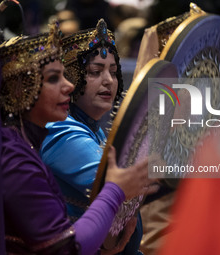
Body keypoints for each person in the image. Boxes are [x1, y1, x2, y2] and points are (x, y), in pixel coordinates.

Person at [0, 22, 156, 255]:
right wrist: (114, 190)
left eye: (113, 72)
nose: (69, 86)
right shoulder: (15, 160)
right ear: (22, 90)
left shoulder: (22, 145)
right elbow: (67, 249)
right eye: (54, 78)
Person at [40, 19, 147, 254]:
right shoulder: (59, 129)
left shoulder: (93, 128)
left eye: (114, 72)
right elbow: (121, 184)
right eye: (95, 72)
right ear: (71, 80)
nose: (108, 80)